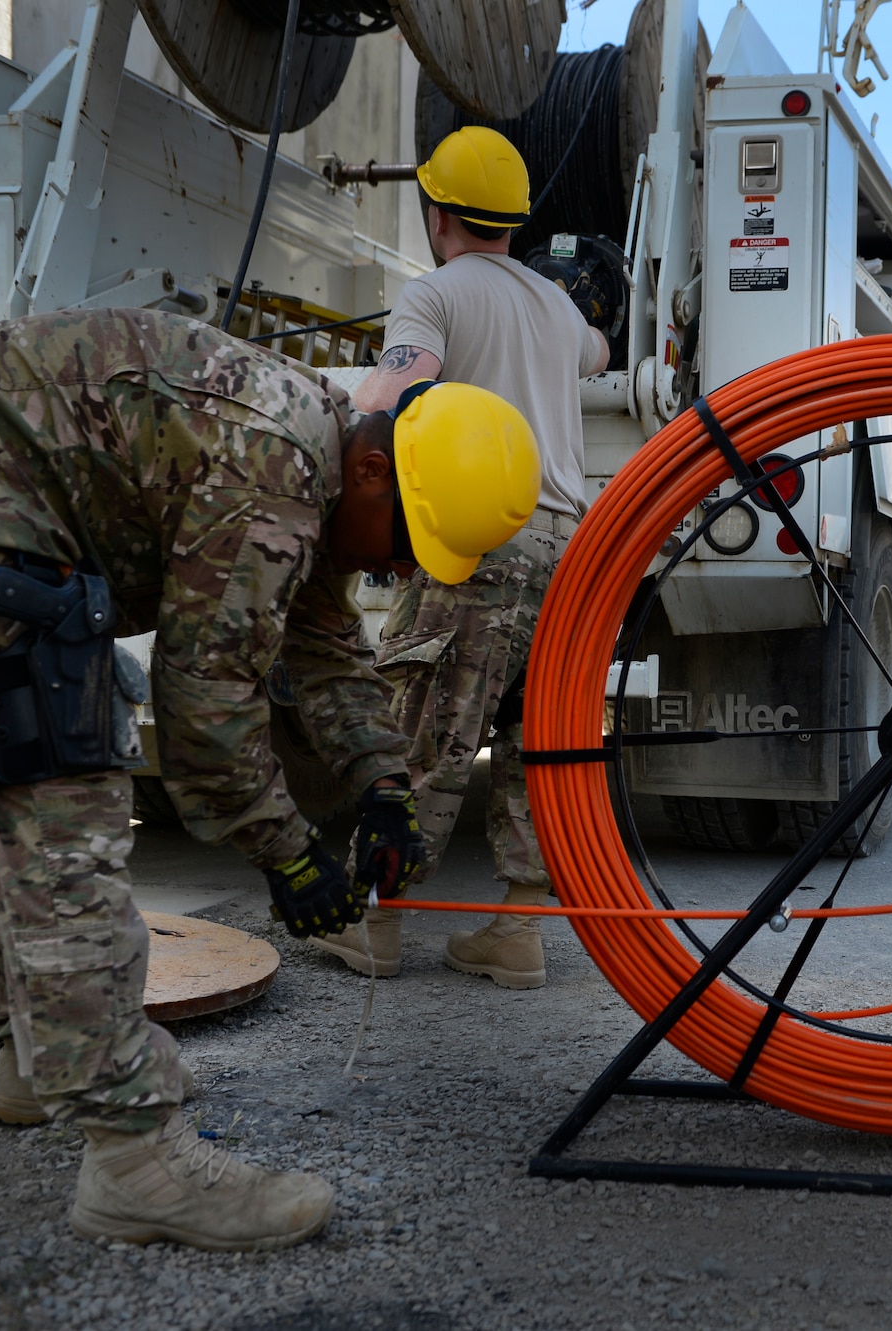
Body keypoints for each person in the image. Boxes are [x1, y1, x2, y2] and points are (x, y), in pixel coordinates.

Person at [0, 308, 538, 1251]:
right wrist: (288, 853)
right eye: (404, 544)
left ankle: (36, 1051)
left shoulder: (315, 456)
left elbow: (320, 642)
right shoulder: (274, 471)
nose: (396, 569)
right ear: (372, 473)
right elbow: (207, 709)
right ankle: (134, 1157)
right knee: (63, 783)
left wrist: (383, 786)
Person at [312, 125, 611, 989]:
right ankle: (516, 929)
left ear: (436, 210)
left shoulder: (433, 294)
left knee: (420, 733)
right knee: (533, 742)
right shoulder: (560, 309)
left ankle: (377, 921)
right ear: (515, 221)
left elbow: (394, 394)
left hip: (477, 547)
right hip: (566, 557)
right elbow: (598, 351)